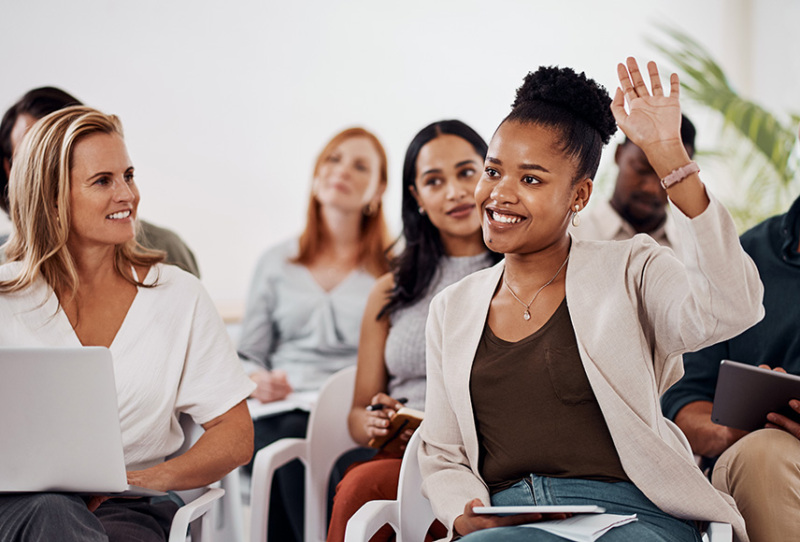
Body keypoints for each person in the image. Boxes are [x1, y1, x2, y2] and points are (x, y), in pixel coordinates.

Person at [418, 58, 764, 542]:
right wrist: (464, 511)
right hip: (510, 523)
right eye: (493, 171)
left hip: (633, 517)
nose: (500, 194)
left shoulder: (632, 268)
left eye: (531, 179)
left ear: (579, 196)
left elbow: (733, 305)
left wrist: (670, 158)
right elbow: (442, 451)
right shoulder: (452, 308)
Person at [0, 106, 255, 541]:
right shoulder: (6, 296)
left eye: (129, 175)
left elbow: (235, 433)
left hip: (127, 507)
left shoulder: (178, 295)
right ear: (53, 196)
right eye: (103, 181)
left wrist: (153, 477)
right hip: (13, 506)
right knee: (52, 511)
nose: (127, 195)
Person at [326, 120, 502, 542]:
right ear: (417, 197)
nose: (454, 192)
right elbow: (357, 413)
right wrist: (375, 424)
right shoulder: (390, 289)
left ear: (492, 174)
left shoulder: (523, 273)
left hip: (494, 456)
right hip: (409, 454)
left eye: (467, 172)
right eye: (434, 181)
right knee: (360, 488)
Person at [238, 126, 392, 541]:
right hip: (283, 410)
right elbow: (246, 355)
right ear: (316, 174)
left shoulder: (396, 269)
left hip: (354, 414)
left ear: (378, 190)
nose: (341, 170)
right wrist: (254, 380)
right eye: (333, 159)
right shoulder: (275, 262)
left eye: (360, 165)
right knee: (283, 449)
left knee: (345, 468)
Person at [662, 139, 800, 542]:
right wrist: (730, 433)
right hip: (767, 457)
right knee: (765, 454)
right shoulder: (745, 259)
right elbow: (684, 404)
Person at [0, 87, 201, 276]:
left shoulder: (166, 252)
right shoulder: (6, 273)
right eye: (31, 157)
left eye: (128, 176)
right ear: (9, 170)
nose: (127, 194)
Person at [570, 114, 695, 252]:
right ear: (619, 153)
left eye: (670, 176)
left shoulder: (695, 255)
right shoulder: (567, 240)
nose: (651, 189)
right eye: (641, 169)